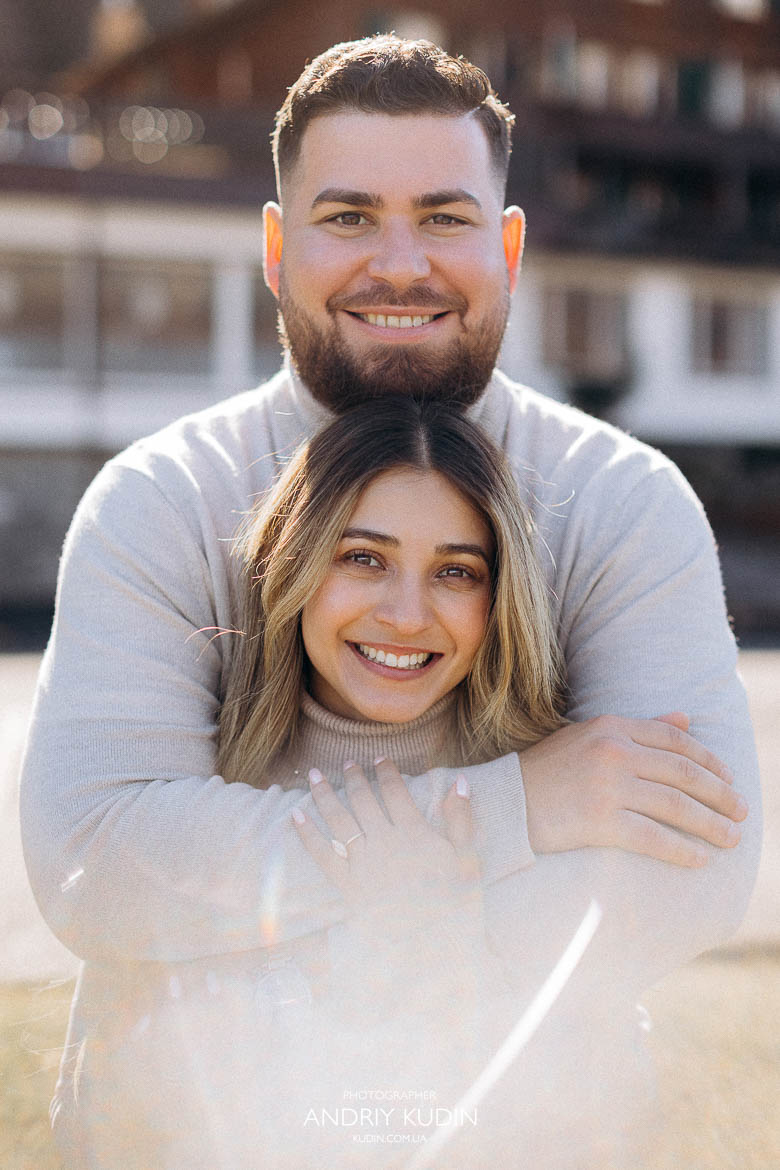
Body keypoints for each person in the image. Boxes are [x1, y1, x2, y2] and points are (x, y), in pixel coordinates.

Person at [20, 32, 759, 1167]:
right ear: (278, 246)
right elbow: (101, 862)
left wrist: (282, 902)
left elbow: (694, 873)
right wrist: (514, 813)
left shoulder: (623, 504)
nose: (400, 263)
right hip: (182, 1134)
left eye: (446, 218)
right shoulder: (159, 501)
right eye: (350, 216)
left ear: (508, 245)